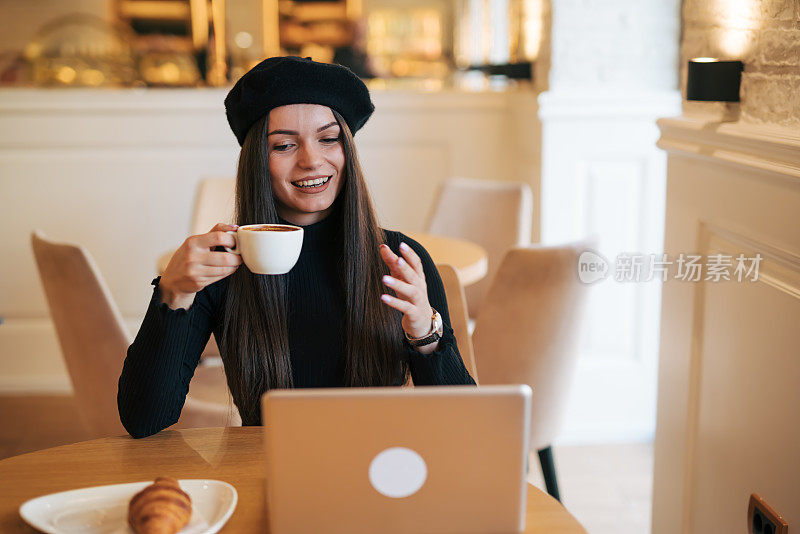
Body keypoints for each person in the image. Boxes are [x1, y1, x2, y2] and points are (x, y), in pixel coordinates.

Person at [118, 56, 475, 439]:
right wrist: (173, 293)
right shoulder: (224, 265)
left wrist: (424, 333)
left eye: (328, 138)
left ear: (347, 150)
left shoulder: (400, 258)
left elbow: (462, 426)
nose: (311, 160)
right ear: (258, 160)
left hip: (377, 470)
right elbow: (144, 419)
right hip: (266, 470)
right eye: (285, 145)